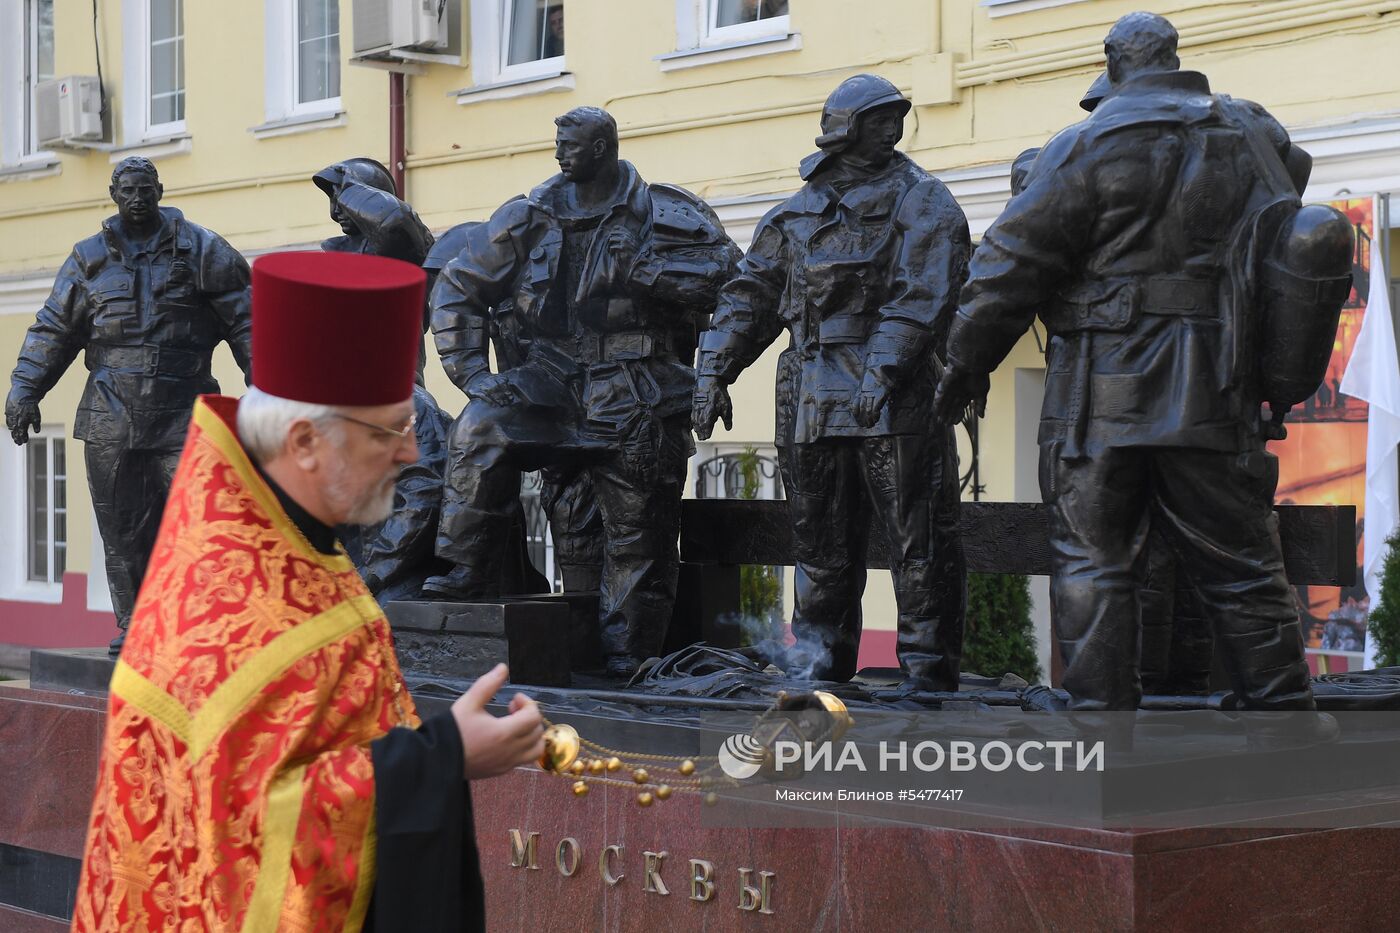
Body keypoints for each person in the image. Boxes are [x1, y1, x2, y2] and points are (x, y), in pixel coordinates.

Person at [72, 251, 543, 932]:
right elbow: (252, 839)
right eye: (391, 430)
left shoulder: (280, 532)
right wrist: (445, 755)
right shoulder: (227, 602)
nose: (412, 454)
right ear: (304, 441)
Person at [932, 12, 1347, 713]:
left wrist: (964, 362)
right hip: (1216, 387)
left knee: (1094, 561)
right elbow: (1290, 198)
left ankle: (1099, 724)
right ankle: (1284, 719)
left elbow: (1008, 266)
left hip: (1101, 396)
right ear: (1172, 57)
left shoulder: (1085, 145)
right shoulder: (1250, 132)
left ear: (1114, 65)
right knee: (1242, 565)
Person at [426, 106, 741, 677]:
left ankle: (627, 662)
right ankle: (461, 576)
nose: (558, 155)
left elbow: (735, 289)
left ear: (601, 149)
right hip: (553, 382)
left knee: (636, 531)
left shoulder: (667, 213)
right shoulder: (529, 214)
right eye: (557, 143)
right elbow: (458, 286)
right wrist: (472, 373)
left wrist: (652, 281)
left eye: (569, 145)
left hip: (636, 383)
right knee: (480, 428)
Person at [693, 74, 970, 690]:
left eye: (898, 118)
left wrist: (884, 371)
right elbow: (750, 297)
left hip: (894, 398)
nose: (893, 130)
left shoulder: (924, 200)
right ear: (844, 130)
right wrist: (713, 371)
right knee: (819, 546)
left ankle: (927, 679)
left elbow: (923, 295)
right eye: (878, 120)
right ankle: (819, 674)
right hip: (812, 389)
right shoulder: (794, 213)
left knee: (918, 542)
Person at [5, 156, 252, 655]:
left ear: (159, 190)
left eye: (145, 189)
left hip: (184, 408)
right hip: (110, 413)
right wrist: (25, 390)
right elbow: (55, 329)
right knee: (123, 528)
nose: (137, 198)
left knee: (198, 522)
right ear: (114, 194)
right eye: (128, 190)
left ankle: (198, 626)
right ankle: (137, 627)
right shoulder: (88, 259)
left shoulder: (203, 249)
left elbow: (248, 323)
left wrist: (272, 389)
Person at [313, 158, 454, 603]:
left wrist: (348, 187)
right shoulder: (335, 255)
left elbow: (393, 222)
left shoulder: (400, 249)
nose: (336, 206)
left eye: (343, 197)